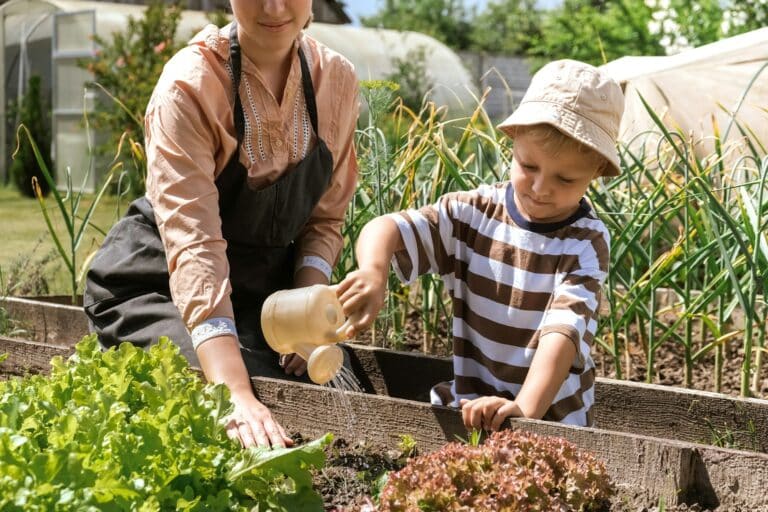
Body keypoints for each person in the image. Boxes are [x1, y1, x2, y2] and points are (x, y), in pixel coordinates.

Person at [83, 0, 359, 449]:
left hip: (258, 294)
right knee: (244, 400)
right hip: (160, 284)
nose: (273, 7)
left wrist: (304, 314)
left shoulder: (336, 81)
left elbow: (325, 218)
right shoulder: (190, 86)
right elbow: (195, 249)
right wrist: (233, 393)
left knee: (318, 379)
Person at [336, 59, 624, 430]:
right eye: (528, 166)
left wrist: (525, 409)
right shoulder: (470, 214)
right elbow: (386, 227)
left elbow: (563, 333)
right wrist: (374, 273)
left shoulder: (585, 242)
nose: (540, 188)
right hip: (470, 410)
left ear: (597, 172)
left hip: (552, 422)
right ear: (514, 139)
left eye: (565, 179)